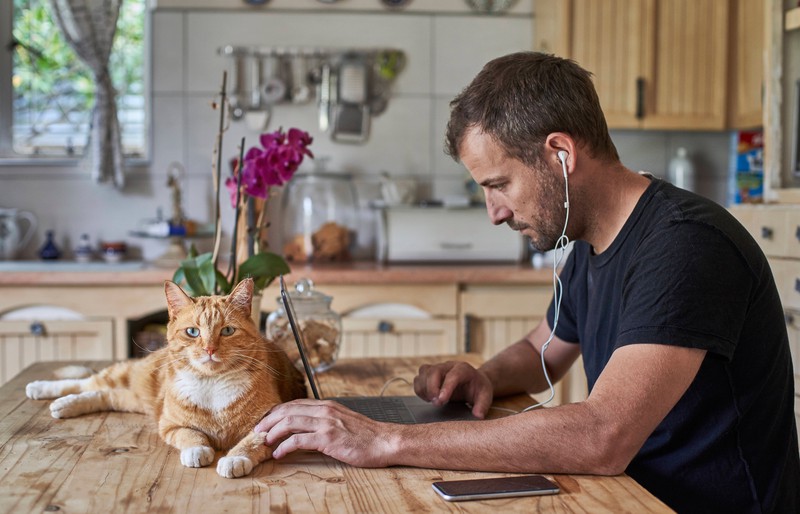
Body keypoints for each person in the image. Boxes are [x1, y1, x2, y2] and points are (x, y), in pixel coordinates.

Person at [256, 52, 800, 513]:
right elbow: (543, 350)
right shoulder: (591, 240)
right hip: (626, 497)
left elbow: (602, 434)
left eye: (499, 184)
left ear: (560, 154)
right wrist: (482, 376)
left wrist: (387, 439)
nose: (494, 213)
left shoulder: (687, 245)